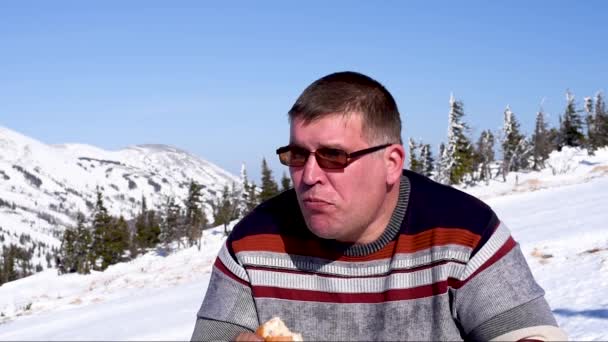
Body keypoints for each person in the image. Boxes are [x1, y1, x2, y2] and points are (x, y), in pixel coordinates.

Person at [191, 71, 567, 341]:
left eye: (334, 156)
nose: (309, 175)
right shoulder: (254, 242)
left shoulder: (462, 231)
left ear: (391, 163)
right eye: (297, 155)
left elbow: (530, 332)